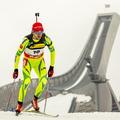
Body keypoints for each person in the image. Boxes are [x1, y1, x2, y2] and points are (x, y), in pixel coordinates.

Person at [13, 21, 55, 114]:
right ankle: (19, 105)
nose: (39, 35)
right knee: (27, 81)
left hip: (39, 62)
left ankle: (35, 100)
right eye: (37, 33)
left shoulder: (45, 39)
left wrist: (51, 67)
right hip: (28, 62)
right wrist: (15, 69)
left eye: (41, 32)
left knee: (44, 81)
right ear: (32, 32)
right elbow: (18, 54)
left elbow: (53, 51)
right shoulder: (27, 40)